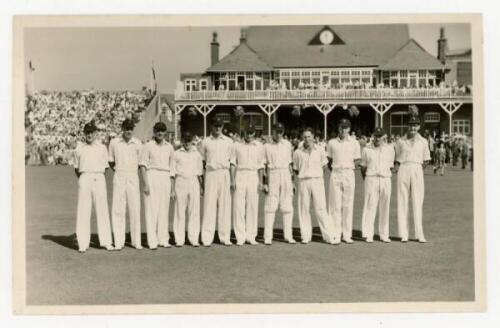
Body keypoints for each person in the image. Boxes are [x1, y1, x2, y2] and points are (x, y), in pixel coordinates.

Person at [73, 122, 114, 252]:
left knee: (102, 209)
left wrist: (97, 176)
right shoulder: (79, 148)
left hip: (99, 177)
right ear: (84, 133)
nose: (90, 134)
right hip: (84, 177)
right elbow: (76, 168)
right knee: (83, 210)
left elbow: (106, 167)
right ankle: (83, 243)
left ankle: (106, 242)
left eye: (92, 132)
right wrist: (85, 177)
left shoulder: (102, 148)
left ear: (95, 133)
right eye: (87, 132)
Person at [293, 128, 336, 244]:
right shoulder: (297, 152)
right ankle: (306, 236)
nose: (307, 139)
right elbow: (296, 169)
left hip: (317, 181)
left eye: (309, 137)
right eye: (305, 137)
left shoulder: (320, 150)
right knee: (304, 209)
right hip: (303, 181)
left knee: (321, 208)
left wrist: (316, 176)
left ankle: (329, 236)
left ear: (313, 137)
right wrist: (305, 175)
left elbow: (324, 167)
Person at [394, 115, 431, 243]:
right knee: (402, 200)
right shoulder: (400, 141)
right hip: (404, 168)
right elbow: (397, 159)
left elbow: (426, 160)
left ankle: (419, 234)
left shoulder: (424, 141)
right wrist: (400, 168)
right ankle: (403, 234)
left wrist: (418, 169)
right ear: (407, 126)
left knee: (417, 201)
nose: (413, 127)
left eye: (415, 125)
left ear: (419, 127)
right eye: (410, 125)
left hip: (417, 168)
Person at [108, 119, 143, 250]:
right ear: (122, 129)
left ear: (132, 129)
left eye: (130, 128)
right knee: (118, 209)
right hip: (119, 175)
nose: (128, 131)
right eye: (126, 128)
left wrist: (131, 171)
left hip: (133, 175)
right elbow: (111, 161)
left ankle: (136, 241)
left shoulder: (138, 143)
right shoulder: (114, 143)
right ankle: (118, 241)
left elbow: (140, 163)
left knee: (135, 208)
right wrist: (120, 170)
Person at [139, 122, 175, 250]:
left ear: (165, 132)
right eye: (158, 131)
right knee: (152, 210)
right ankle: (152, 240)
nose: (160, 133)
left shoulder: (170, 147)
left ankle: (163, 239)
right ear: (154, 132)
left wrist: (172, 189)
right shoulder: (148, 146)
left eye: (162, 131)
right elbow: (142, 165)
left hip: (165, 177)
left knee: (163, 209)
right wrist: (146, 183)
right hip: (152, 176)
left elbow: (172, 170)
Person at [200, 116, 234, 246]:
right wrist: (202, 182)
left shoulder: (229, 142)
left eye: (220, 126)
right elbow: (201, 163)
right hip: (211, 174)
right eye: (215, 125)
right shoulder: (205, 142)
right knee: (209, 205)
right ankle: (207, 237)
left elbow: (232, 162)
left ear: (223, 127)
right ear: (211, 126)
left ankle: (224, 236)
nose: (217, 128)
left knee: (225, 206)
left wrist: (231, 180)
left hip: (224, 173)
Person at [326, 118, 361, 244]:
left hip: (348, 173)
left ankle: (347, 234)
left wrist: (347, 168)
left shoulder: (354, 143)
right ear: (338, 128)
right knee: (335, 205)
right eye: (341, 127)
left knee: (348, 204)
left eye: (345, 127)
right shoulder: (331, 143)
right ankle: (335, 233)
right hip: (336, 173)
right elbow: (329, 161)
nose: (343, 130)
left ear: (349, 129)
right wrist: (337, 170)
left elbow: (357, 161)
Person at [230, 127, 265, 246]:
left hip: (253, 175)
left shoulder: (259, 146)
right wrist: (232, 180)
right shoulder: (237, 145)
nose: (249, 135)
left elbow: (261, 165)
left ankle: (251, 236)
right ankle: (240, 236)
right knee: (238, 207)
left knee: (252, 206)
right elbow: (233, 163)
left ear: (254, 133)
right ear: (243, 133)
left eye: (251, 133)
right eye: (247, 133)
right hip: (240, 174)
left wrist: (260, 181)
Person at [262, 123, 296, 245]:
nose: (279, 134)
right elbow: (264, 166)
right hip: (273, 174)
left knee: (287, 206)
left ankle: (288, 236)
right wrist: (265, 183)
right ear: (273, 132)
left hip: (285, 174)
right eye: (277, 131)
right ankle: (267, 237)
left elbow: (290, 165)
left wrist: (292, 182)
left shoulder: (287, 144)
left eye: (281, 131)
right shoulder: (266, 146)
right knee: (270, 206)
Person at [360, 127, 395, 243]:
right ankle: (368, 233)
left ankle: (384, 234)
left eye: (380, 136)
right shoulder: (366, 149)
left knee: (385, 207)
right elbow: (363, 167)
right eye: (376, 136)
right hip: (371, 178)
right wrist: (368, 179)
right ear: (373, 136)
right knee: (370, 206)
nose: (377, 138)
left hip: (385, 178)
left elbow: (390, 166)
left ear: (384, 137)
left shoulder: (390, 149)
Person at [171, 132, 204, 247]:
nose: (187, 142)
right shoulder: (176, 154)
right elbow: (172, 173)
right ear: (182, 140)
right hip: (180, 182)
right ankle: (179, 239)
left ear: (192, 141)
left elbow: (200, 173)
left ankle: (193, 238)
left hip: (194, 182)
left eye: (189, 140)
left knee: (194, 211)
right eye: (185, 140)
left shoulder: (197, 154)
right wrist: (172, 189)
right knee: (180, 211)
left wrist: (202, 187)